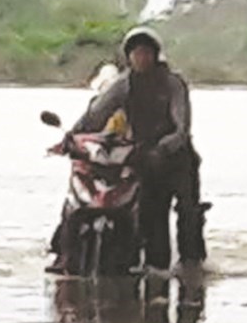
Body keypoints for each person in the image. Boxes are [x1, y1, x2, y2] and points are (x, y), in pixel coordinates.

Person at [74, 26, 206, 271]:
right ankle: (154, 269)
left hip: (178, 158)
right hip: (144, 158)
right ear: (128, 57)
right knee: (150, 217)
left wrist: (164, 147)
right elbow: (95, 115)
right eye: (136, 53)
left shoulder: (173, 84)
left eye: (146, 52)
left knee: (188, 212)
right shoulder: (123, 85)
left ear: (156, 55)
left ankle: (192, 265)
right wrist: (73, 136)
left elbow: (182, 127)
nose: (141, 58)